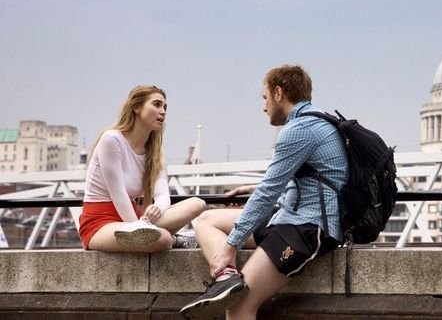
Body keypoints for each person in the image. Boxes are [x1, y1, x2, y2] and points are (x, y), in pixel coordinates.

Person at [180, 65, 348, 320]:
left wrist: (229, 247)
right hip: (289, 217)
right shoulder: (317, 121)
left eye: (265, 97)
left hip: (307, 228)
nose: (264, 106)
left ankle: (230, 281)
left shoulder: (299, 130)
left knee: (239, 307)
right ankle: (228, 279)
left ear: (278, 93)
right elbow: (310, 182)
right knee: (206, 220)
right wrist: (257, 188)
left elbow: (269, 193)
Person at [78, 85, 206, 252]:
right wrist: (138, 227)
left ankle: (158, 234)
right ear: (136, 107)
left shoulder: (155, 151)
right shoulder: (111, 140)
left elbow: (162, 195)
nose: (163, 111)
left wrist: (157, 208)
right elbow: (119, 195)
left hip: (137, 218)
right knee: (163, 239)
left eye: (165, 107)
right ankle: (177, 239)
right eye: (157, 104)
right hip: (101, 223)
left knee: (198, 204)